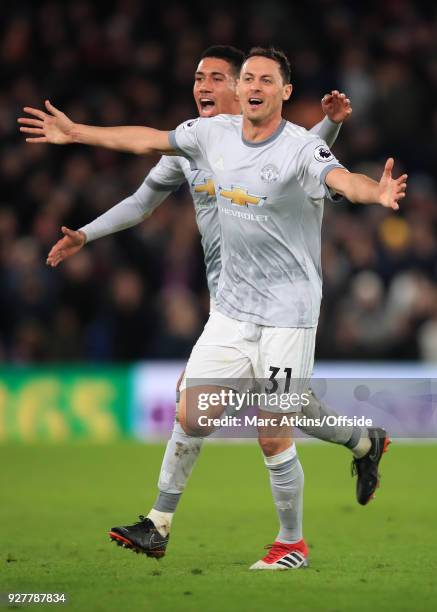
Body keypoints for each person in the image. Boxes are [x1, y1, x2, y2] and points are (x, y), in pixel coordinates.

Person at [19, 46, 403, 569]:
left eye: (247, 78)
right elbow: (144, 149)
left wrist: (373, 192)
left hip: (288, 310)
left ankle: (292, 543)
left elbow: (329, 174)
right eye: (243, 77)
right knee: (192, 411)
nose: (236, 86)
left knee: (276, 424)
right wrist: (78, 136)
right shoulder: (202, 139)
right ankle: (158, 524)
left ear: (279, 91)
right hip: (230, 306)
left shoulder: (295, 146)